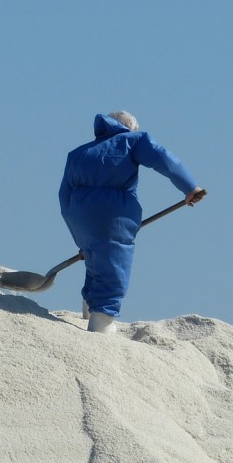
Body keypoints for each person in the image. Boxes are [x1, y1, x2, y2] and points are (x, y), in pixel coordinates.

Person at [59, 111, 203, 334]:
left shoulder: (78, 154)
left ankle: (87, 313)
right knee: (114, 265)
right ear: (129, 127)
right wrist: (190, 187)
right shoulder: (133, 140)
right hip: (114, 214)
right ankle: (101, 324)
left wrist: (80, 238)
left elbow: (64, 197)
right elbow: (163, 158)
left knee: (95, 262)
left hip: (79, 217)